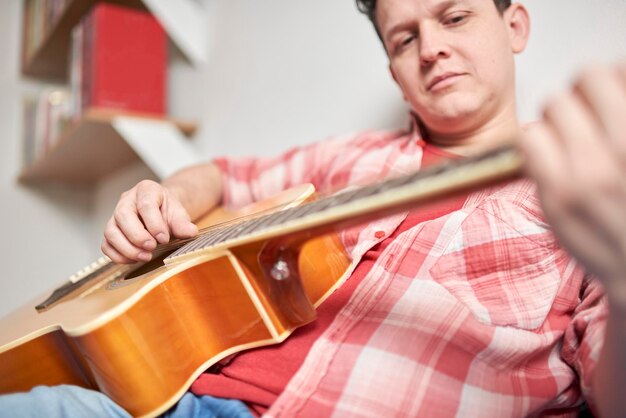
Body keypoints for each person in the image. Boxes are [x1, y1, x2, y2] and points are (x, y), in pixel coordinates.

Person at [2, 0, 625, 417]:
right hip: (176, 397)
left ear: (514, 25)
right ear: (394, 72)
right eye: (405, 38)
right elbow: (222, 174)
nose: (431, 48)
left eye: (454, 16)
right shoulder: (348, 158)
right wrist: (163, 199)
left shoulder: (591, 185)